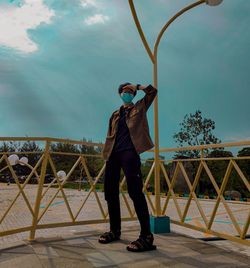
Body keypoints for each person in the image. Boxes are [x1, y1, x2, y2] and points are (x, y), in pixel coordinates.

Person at [99, 82, 157, 252]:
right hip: (113, 155)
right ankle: (114, 230)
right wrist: (106, 155)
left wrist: (138, 86)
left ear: (134, 94)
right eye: (125, 91)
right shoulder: (115, 114)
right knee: (110, 192)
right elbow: (110, 135)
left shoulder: (140, 107)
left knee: (135, 192)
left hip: (130, 153)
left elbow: (152, 92)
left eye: (130, 92)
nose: (128, 93)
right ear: (120, 94)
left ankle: (146, 236)